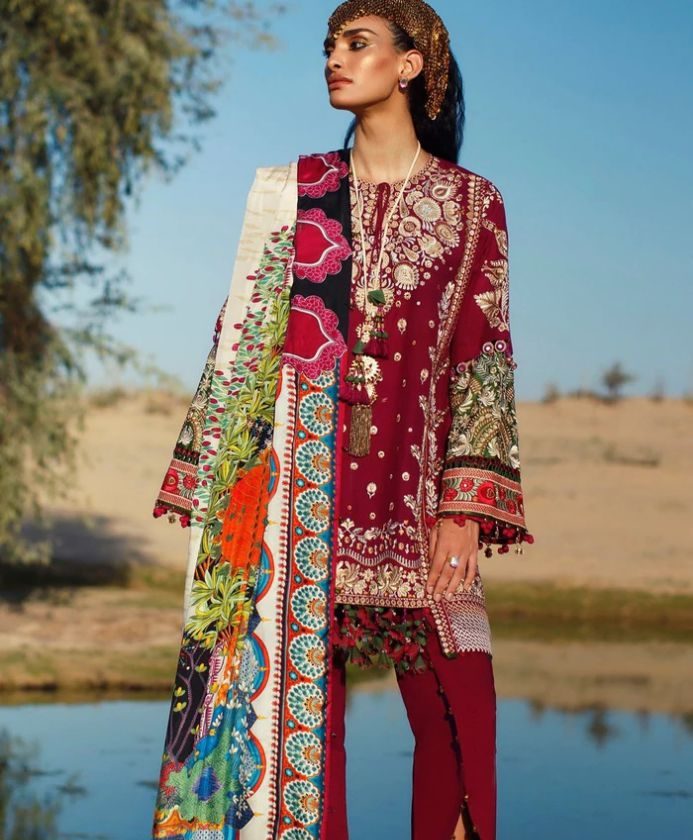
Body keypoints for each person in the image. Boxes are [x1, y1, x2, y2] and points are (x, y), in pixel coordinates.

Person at [150, 2, 534, 839]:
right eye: (330, 44)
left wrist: (464, 507)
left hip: (417, 495)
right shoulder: (295, 194)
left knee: (458, 714)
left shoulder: (474, 204)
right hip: (295, 496)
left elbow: (483, 358)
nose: (334, 58)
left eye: (357, 44)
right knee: (290, 725)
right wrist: (217, 488)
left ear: (410, 64)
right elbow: (238, 340)